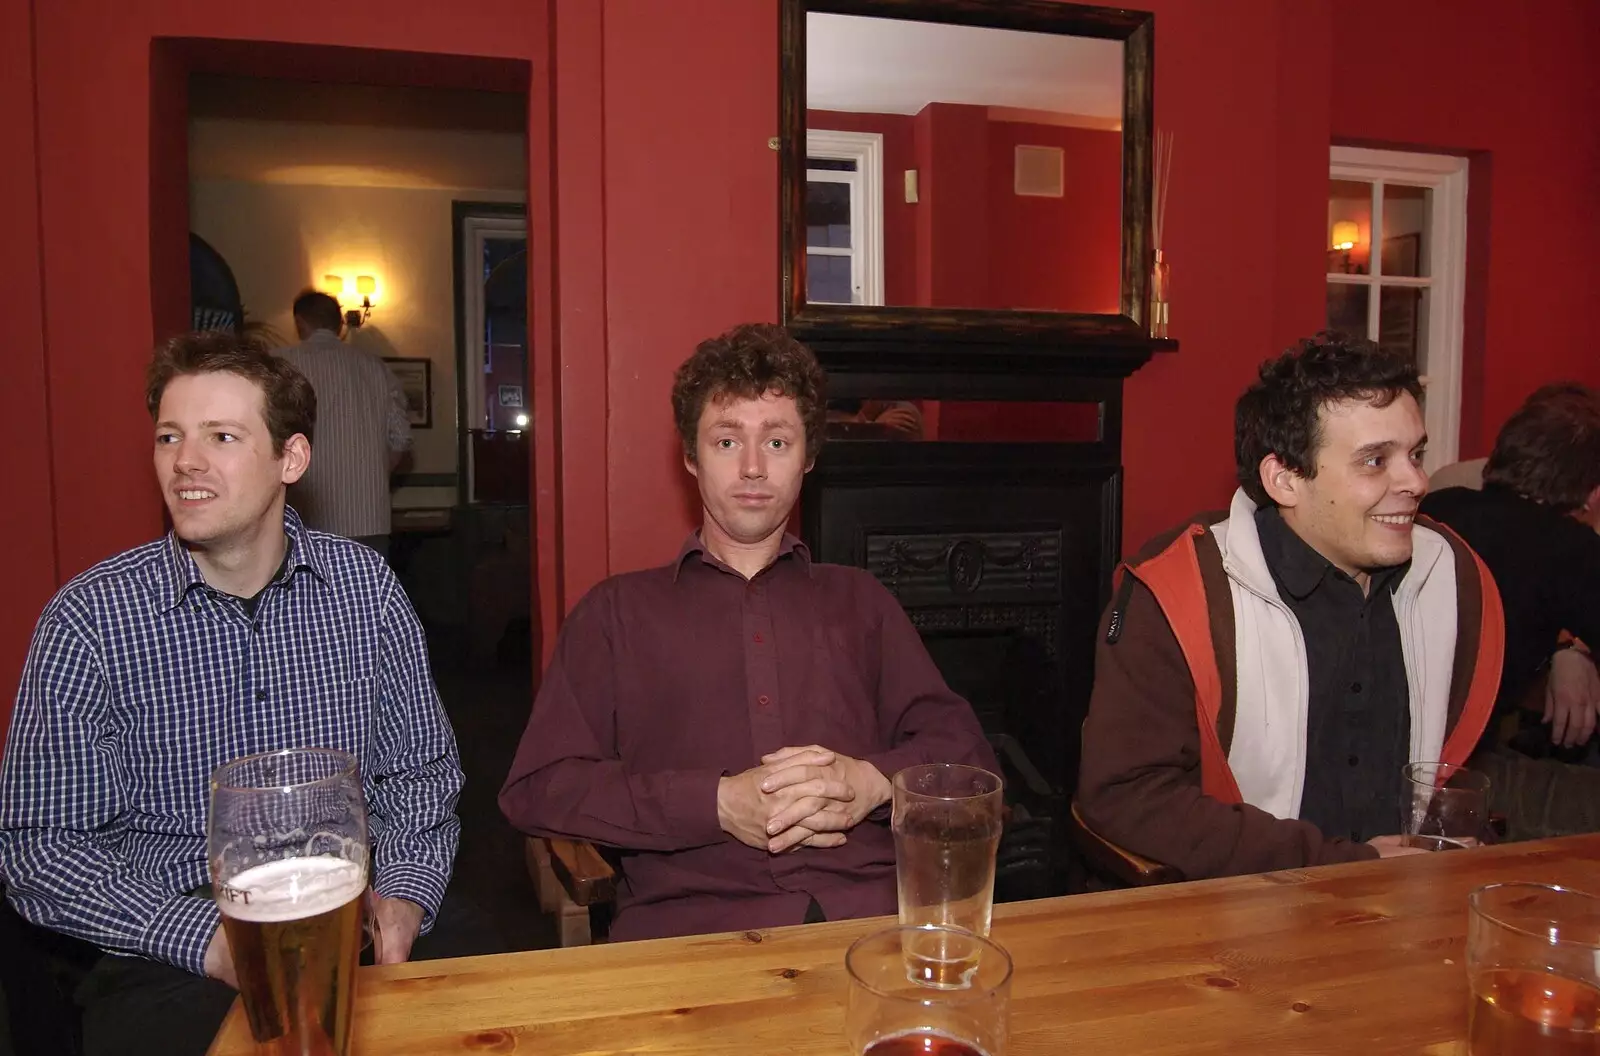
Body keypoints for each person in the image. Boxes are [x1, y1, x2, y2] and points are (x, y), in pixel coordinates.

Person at [0, 332, 464, 1056]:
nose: (186, 461)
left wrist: (403, 898)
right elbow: (40, 847)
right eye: (169, 436)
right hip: (169, 951)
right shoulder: (89, 620)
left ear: (292, 458)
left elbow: (420, 775)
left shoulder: (366, 592)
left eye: (221, 436)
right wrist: (210, 942)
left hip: (349, 921)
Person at [499, 323, 994, 941]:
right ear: (690, 456)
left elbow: (968, 753)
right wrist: (712, 803)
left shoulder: (862, 602)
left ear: (809, 456)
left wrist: (871, 781)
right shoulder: (614, 614)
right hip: (691, 932)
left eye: (779, 441)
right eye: (728, 441)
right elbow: (540, 788)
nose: (754, 467)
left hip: (874, 921)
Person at [1076, 333, 1504, 881]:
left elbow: (1458, 772)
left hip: (1413, 910)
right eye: (1375, 461)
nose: (1417, 481)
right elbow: (1126, 796)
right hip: (1237, 925)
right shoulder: (1181, 592)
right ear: (1284, 480)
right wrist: (1345, 865)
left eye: (1415, 454)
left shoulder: (1455, 577)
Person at [1420, 382, 1600, 837]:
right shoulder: (1568, 549)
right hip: (1447, 774)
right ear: (1592, 495)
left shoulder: (1436, 506)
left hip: (1395, 757)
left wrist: (1567, 647)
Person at [274, 289, 412, 556]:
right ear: (339, 323)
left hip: (302, 519)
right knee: (367, 596)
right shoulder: (375, 367)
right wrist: (371, 474)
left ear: (299, 322)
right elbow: (401, 437)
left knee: (303, 597)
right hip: (368, 517)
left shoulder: (282, 364)